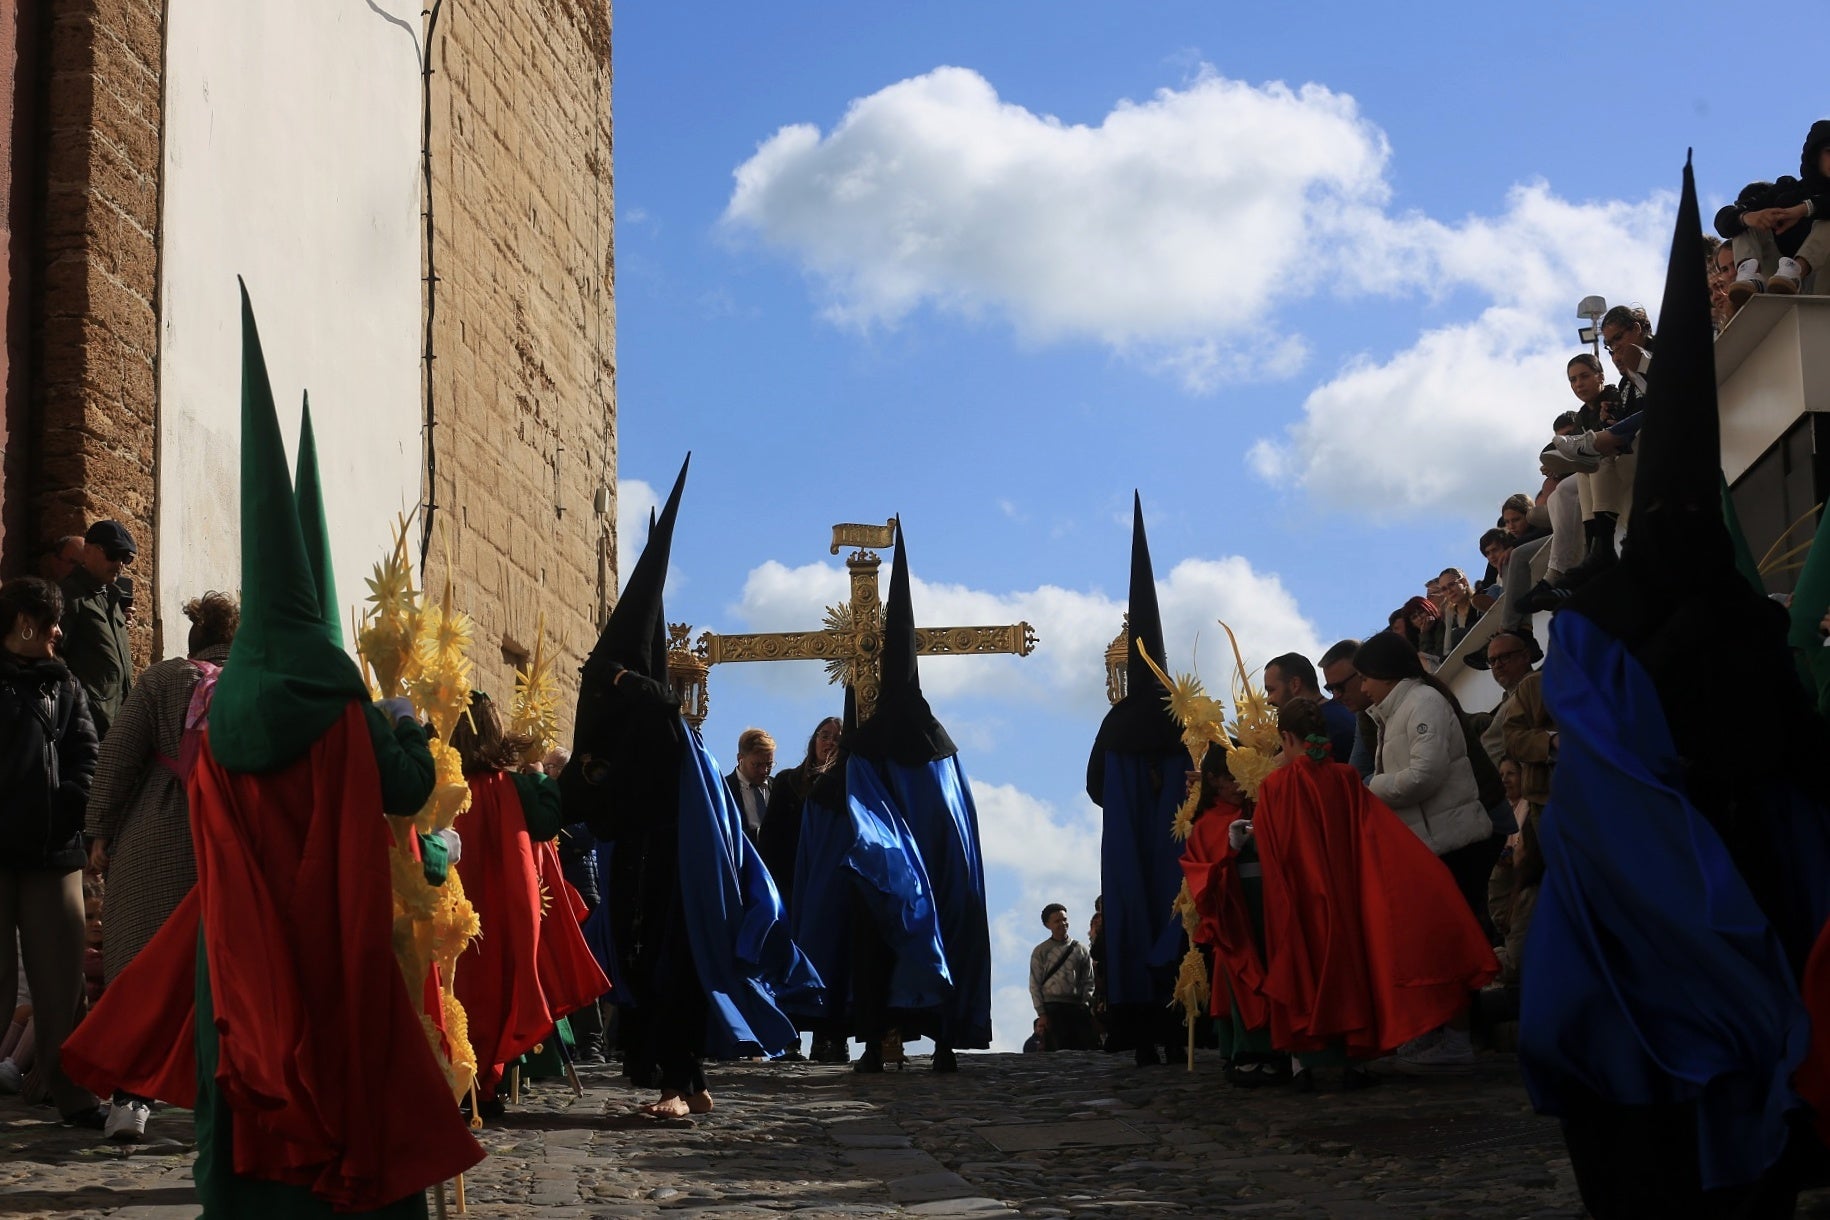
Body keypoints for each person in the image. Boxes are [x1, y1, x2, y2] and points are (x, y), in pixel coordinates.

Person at [61, 292, 482, 1215]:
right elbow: (410, 790)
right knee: (342, 1098)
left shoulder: (219, 706)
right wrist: (407, 722)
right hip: (329, 940)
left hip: (236, 951)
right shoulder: (346, 710)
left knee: (235, 1106)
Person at [1521, 161, 1830, 1216]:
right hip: (1732, 875)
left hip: (1640, 895)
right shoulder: (1747, 617)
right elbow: (1798, 762)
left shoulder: (1601, 618)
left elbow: (1607, 765)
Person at [562, 455, 819, 1118]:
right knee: (663, 970)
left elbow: (656, 722)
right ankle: (691, 1082)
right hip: (652, 864)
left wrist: (620, 682)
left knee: (665, 971)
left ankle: (678, 1087)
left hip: (667, 872)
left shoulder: (658, 718)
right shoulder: (650, 721)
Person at [1246, 698, 1497, 1092]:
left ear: (1285, 737)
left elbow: (1268, 844)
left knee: (1303, 965)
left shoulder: (1275, 786)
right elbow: (1374, 831)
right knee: (1354, 966)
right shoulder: (1346, 778)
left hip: (1297, 894)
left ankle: (1303, 1061)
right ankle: (1356, 1057)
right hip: (1347, 889)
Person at [83, 590, 238, 1141]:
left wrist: (100, 828)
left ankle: (131, 1099)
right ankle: (229, 1105)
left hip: (162, 833)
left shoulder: (163, 679)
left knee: (144, 967)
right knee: (222, 973)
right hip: (230, 842)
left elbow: (120, 751)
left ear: (193, 639)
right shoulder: (258, 683)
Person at [842, 522, 993, 1073]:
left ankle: (878, 1046)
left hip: (889, 875)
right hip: (944, 872)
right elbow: (960, 825)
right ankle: (945, 1043)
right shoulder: (942, 747)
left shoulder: (869, 742)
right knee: (947, 937)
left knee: (880, 942)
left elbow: (857, 811)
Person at [1353, 631, 1504, 1072]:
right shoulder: (1394, 711)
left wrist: (1369, 788)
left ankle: (1457, 1037)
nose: (1363, 688)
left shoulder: (1423, 703)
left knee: (1449, 945)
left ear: (1384, 674)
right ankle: (1439, 1030)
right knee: (1430, 945)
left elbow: (1424, 774)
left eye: (1365, 677)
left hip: (1453, 842)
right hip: (1427, 844)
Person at [450, 690, 605, 1108]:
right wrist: (538, 777)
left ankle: (459, 1081)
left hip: (453, 907)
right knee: (498, 990)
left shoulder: (444, 782)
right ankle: (486, 1083)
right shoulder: (513, 785)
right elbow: (546, 823)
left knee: (457, 989)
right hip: (500, 910)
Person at [1088, 495, 1191, 1067]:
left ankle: (1142, 1032)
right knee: (1176, 911)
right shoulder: (1185, 715)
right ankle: (1181, 1027)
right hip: (1175, 846)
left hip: (1128, 847)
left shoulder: (1118, 720)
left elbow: (1095, 784)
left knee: (1134, 911)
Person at [0, 575, 106, 1129]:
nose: (59, 632)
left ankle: (71, 1093)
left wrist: (70, 811)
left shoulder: (66, 688)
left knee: (61, 984)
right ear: (25, 625)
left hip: (52, 854)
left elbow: (87, 756)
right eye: (51, 623)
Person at [1719, 120, 1829, 307]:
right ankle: (1749, 276)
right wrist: (1748, 217)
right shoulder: (1789, 191)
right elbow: (1724, 219)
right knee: (1745, 222)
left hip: (1823, 283)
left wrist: (1804, 209)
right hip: (1776, 280)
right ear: (1815, 155)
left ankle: (1795, 273)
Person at [57, 521, 136, 738]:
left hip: (117, 727)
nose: (119, 564)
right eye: (113, 554)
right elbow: (55, 658)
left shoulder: (111, 598)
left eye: (126, 558)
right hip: (87, 728)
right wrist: (83, 706)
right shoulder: (70, 596)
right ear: (88, 550)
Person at [1465, 628, 1542, 770]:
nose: (1497, 665)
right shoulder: (1509, 698)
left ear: (1525, 656)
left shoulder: (1534, 685)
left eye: (1504, 657)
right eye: (1492, 661)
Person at [1028, 903, 1096, 1051]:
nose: (1063, 924)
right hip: (1053, 1008)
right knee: (1057, 1050)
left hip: (1076, 1007)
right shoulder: (1041, 951)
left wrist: (1085, 1003)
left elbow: (1089, 980)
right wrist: (1042, 1013)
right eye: (1057, 921)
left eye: (1064, 919)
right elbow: (1035, 984)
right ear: (1048, 925)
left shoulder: (1081, 949)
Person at [1264, 652, 1353, 763]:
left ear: (1295, 684)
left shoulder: (1320, 722)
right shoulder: (1340, 713)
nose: (1268, 700)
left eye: (1271, 690)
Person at [1318, 639, 1375, 782]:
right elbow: (1355, 776)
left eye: (1340, 686)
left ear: (1363, 673)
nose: (1336, 696)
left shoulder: (1411, 703)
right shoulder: (1363, 715)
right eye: (1330, 689)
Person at [724, 727, 775, 843]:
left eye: (769, 764)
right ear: (740, 759)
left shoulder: (780, 787)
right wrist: (759, 835)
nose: (764, 771)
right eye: (757, 765)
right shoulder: (722, 790)